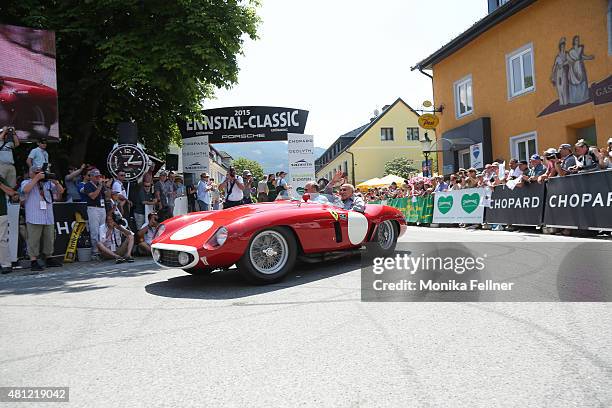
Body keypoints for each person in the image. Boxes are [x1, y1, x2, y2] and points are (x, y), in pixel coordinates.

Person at [20, 166, 64, 271]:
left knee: (49, 238)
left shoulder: (48, 183)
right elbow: (25, 190)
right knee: (33, 240)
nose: (39, 174)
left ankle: (48, 258)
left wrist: (56, 182)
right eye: (36, 172)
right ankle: (33, 261)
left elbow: (61, 191)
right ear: (31, 173)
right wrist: (36, 178)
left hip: (48, 216)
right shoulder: (26, 182)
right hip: (34, 216)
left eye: (40, 172)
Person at [82, 169, 107, 257]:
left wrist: (107, 186)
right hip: (93, 208)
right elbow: (92, 196)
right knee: (94, 230)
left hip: (102, 208)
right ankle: (95, 251)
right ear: (91, 177)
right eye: (96, 177)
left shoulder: (101, 185)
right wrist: (100, 186)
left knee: (102, 230)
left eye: (99, 176)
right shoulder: (87, 185)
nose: (98, 178)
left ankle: (103, 249)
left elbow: (107, 196)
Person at [0, 176, 18, 274]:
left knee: (2, 239)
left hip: (1, 213)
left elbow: (12, 193)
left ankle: (6, 265)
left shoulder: (0, 179)